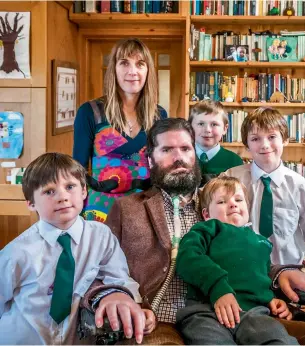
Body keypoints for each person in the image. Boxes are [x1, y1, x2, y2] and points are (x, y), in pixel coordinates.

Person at [82, 118, 305, 344]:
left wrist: (280, 273)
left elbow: (245, 254)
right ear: (150, 159)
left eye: (186, 148)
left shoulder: (220, 203)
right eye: (167, 149)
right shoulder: (128, 209)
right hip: (159, 320)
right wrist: (113, 294)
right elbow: (95, 268)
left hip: (233, 309)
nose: (179, 157)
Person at [0, 152, 150, 345]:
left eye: (70, 187)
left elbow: (119, 279)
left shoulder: (101, 237)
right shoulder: (16, 252)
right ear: (31, 203)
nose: (62, 197)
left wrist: (132, 305)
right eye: (49, 191)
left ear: (84, 191)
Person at [176, 176, 297, 345]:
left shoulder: (261, 242)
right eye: (222, 202)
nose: (233, 204)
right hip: (206, 312)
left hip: (253, 313)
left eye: (238, 200)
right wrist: (218, 287)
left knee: (281, 340)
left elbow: (260, 277)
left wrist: (270, 299)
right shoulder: (207, 229)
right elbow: (188, 258)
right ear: (206, 214)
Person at [73, 38, 167, 223]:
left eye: (140, 64)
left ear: (148, 71)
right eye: (124, 63)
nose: (133, 71)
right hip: (101, 212)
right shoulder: (90, 112)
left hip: (146, 210)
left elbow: (162, 168)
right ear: (113, 69)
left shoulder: (159, 115)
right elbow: (77, 171)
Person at [189, 101, 243, 185]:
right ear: (190, 127)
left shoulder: (235, 162)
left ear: (225, 129)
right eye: (201, 124)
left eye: (214, 124)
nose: (207, 130)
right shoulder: (182, 158)